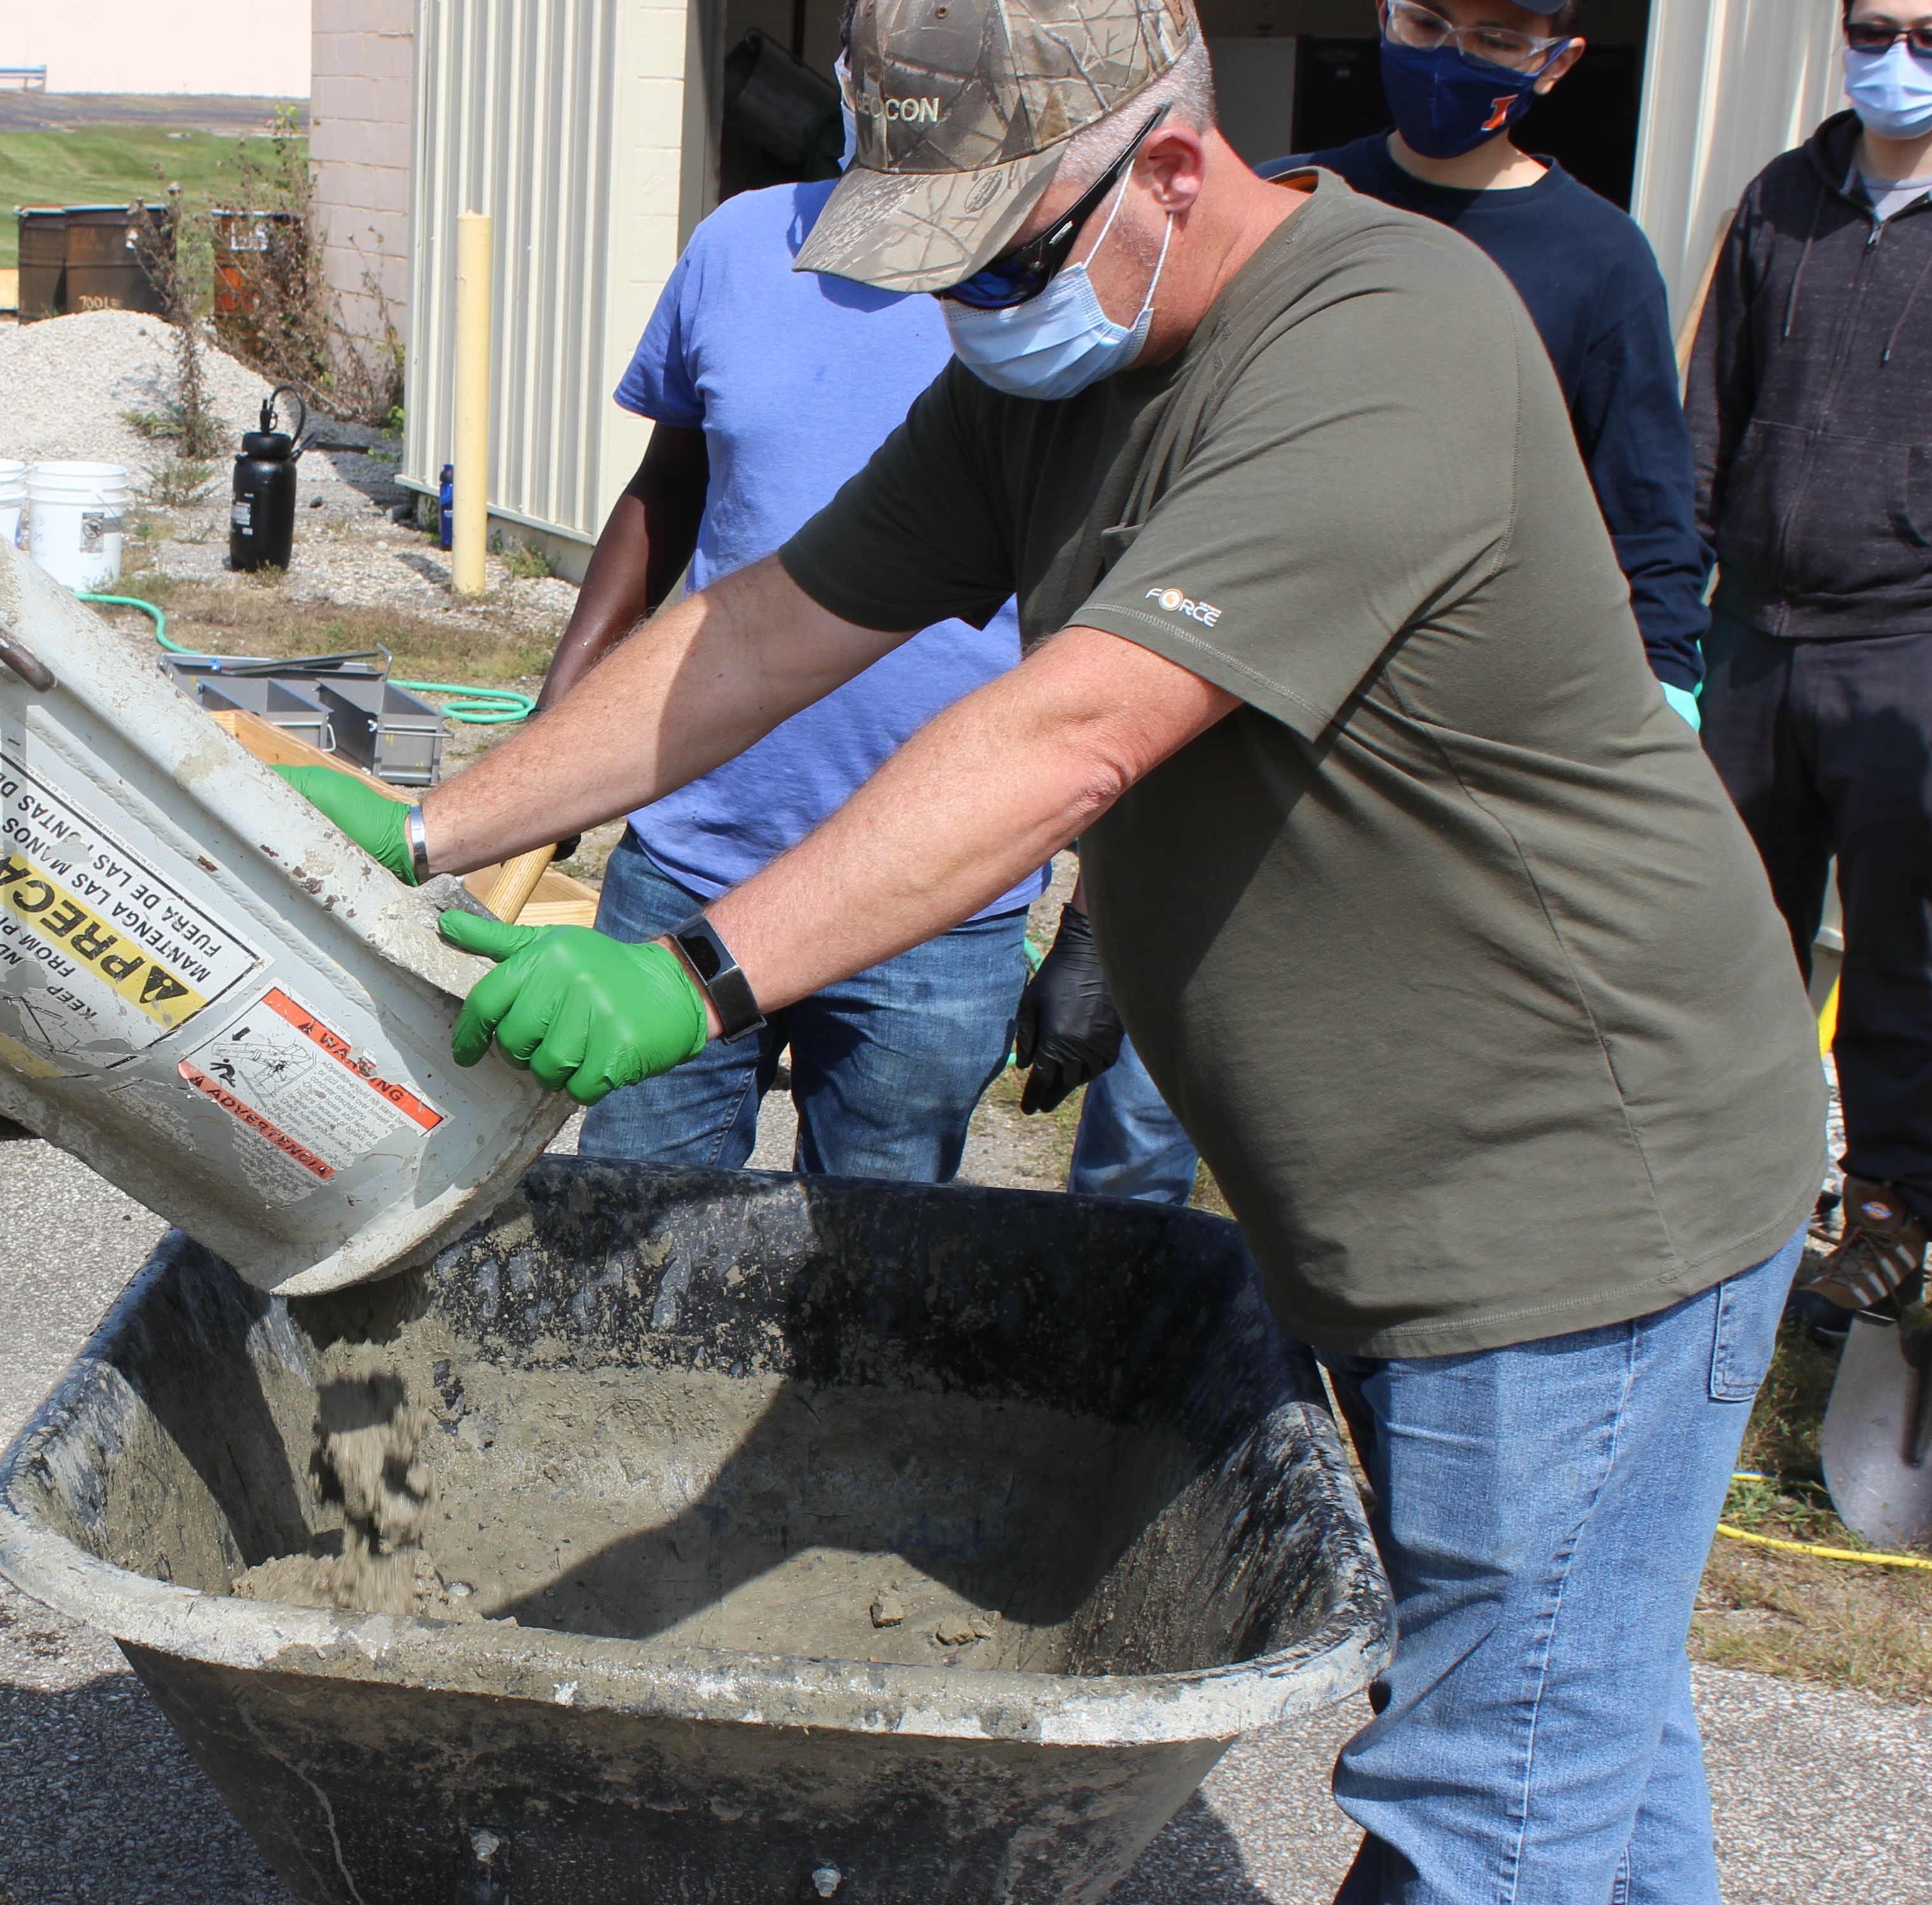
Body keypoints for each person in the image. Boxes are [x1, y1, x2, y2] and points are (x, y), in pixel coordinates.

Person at [277, 3, 1825, 1897]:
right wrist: (448, 820)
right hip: (1392, 1194)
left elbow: (1065, 733)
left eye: (1000, 254)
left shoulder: (1382, 342)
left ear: (1169, 166)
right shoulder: (1041, 378)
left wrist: (692, 974)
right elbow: (767, 623)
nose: (970, 307)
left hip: (1575, 1189)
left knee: (1489, 1792)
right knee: (1572, 1727)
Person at [1053, 0, 1719, 1205]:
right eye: (1428, 17)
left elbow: (1653, 527)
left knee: (1376, 1147)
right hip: (1225, 726)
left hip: (1427, 777)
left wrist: (1660, 706)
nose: (1450, 55)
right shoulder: (1297, 206)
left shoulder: (1597, 260)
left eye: (1498, 38)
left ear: (1560, 61)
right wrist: (1096, 916)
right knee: (1143, 1133)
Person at [539, 11, 1039, 1184]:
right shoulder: (738, 244)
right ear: (852, 81)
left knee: (867, 1281)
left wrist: (1094, 930)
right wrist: (565, 718)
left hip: (931, 893)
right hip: (696, 856)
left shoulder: (1042, 291)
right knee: (626, 1235)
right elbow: (667, 488)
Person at [1688, 0, 1932, 1318]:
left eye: (1923, 32)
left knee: (1904, 942)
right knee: (1726, 926)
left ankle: (1888, 1212)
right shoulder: (1780, 197)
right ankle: (1731, 1192)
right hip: (1750, 633)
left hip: (1906, 639)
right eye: (1873, 26)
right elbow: (1705, 403)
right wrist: (1674, 620)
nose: (1891, 58)